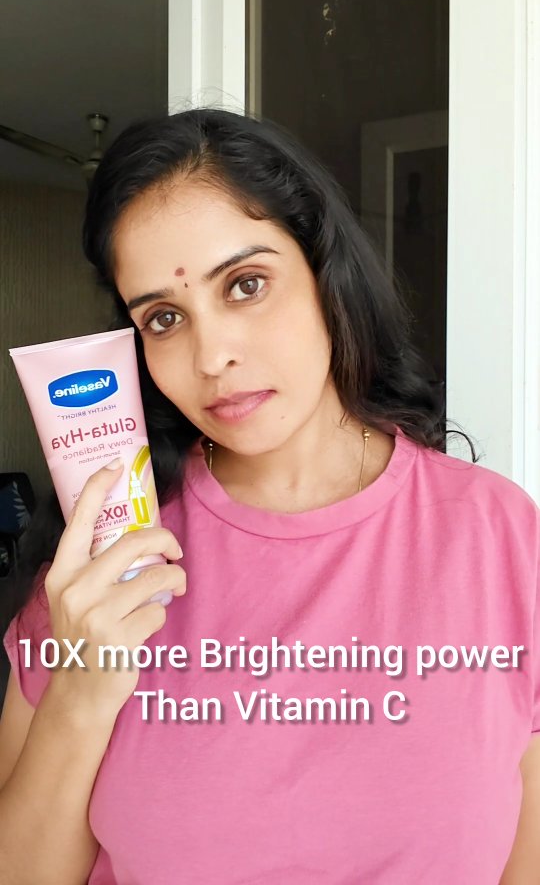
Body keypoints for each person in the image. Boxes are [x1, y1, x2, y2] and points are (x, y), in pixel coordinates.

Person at [0, 107, 538, 885]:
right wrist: (81, 694)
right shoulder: (101, 570)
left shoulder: (502, 536)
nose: (211, 355)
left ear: (326, 274)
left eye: (246, 285)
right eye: (164, 318)